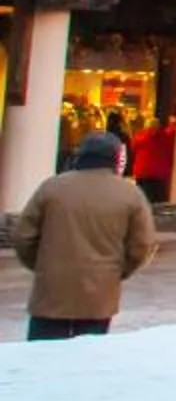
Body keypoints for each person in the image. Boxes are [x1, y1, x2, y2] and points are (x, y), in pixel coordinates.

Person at [12, 133, 157, 340]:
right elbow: (142, 245)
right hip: (100, 292)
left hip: (51, 290)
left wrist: (42, 265)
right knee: (88, 357)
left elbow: (23, 237)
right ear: (116, 158)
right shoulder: (130, 194)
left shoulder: (52, 187)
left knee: (42, 355)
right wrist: (117, 272)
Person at [126, 113, 176, 204]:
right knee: (159, 201)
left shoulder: (140, 136)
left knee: (143, 199)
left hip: (143, 172)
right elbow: (171, 152)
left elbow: (133, 150)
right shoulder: (167, 138)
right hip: (160, 174)